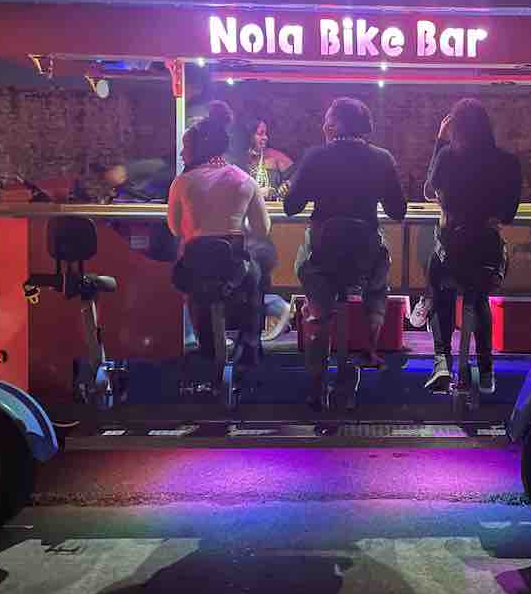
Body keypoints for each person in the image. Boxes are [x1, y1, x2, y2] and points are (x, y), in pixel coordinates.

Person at [284, 97, 407, 406]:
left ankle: (317, 337)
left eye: (328, 119)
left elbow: (290, 207)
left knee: (307, 264)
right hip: (364, 258)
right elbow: (398, 211)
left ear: (335, 124)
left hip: (322, 257)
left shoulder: (316, 157)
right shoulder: (382, 158)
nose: (324, 124)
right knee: (380, 274)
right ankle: (367, 345)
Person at [423, 98, 522, 394]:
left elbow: (430, 191)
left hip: (453, 248)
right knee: (478, 298)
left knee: (439, 291)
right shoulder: (508, 161)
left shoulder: (448, 156)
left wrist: (439, 143)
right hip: (487, 252)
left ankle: (441, 360)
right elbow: (508, 214)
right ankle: (487, 369)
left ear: (455, 127)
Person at [167, 104, 271, 367]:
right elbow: (262, 230)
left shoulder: (182, 182)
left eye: (186, 148)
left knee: (195, 287)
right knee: (258, 271)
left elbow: (175, 229)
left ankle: (206, 350)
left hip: (194, 267)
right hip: (233, 268)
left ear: (199, 149)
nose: (181, 153)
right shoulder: (244, 180)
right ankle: (250, 343)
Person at [228, 114, 296, 341]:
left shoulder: (276, 159)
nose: (264, 137)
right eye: (259, 132)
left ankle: (273, 312)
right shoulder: (235, 161)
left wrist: (285, 187)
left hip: (264, 228)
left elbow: (297, 179)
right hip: (244, 228)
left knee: (250, 279)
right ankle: (274, 310)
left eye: (266, 132)